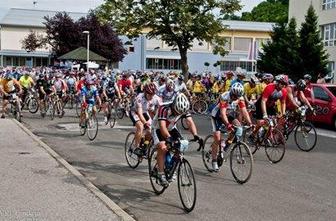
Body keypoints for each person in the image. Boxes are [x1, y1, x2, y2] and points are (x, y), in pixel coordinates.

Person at [151, 93, 202, 186]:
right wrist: (169, 138)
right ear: (173, 105)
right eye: (177, 111)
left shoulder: (184, 109)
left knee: (181, 145)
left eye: (180, 113)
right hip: (157, 128)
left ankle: (171, 167)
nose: (178, 114)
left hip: (171, 128)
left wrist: (196, 135)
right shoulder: (164, 108)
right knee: (163, 147)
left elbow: (190, 122)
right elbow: (162, 126)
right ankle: (160, 173)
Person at [210, 83, 253, 172]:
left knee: (238, 127)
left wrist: (250, 123)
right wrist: (228, 125)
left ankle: (225, 146)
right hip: (217, 116)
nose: (235, 97)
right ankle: (214, 160)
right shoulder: (225, 96)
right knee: (217, 139)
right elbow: (222, 113)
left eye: (237, 96)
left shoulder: (240, 98)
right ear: (231, 92)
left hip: (228, 114)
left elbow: (244, 111)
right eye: (233, 95)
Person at [250, 75, 288, 140]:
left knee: (274, 121)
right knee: (261, 122)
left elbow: (283, 103)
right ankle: (253, 134)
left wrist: (283, 113)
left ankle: (266, 137)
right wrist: (264, 114)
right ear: (278, 82)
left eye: (285, 84)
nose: (283, 86)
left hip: (271, 106)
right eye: (282, 83)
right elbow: (263, 101)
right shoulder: (270, 87)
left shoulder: (284, 91)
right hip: (261, 104)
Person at [130, 83, 161, 156]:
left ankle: (144, 146)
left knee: (151, 131)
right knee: (140, 126)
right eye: (149, 94)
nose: (151, 96)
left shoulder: (156, 98)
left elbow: (162, 109)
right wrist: (145, 123)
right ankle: (136, 147)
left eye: (153, 94)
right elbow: (140, 114)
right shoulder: (140, 97)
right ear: (145, 92)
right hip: (135, 112)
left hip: (145, 112)